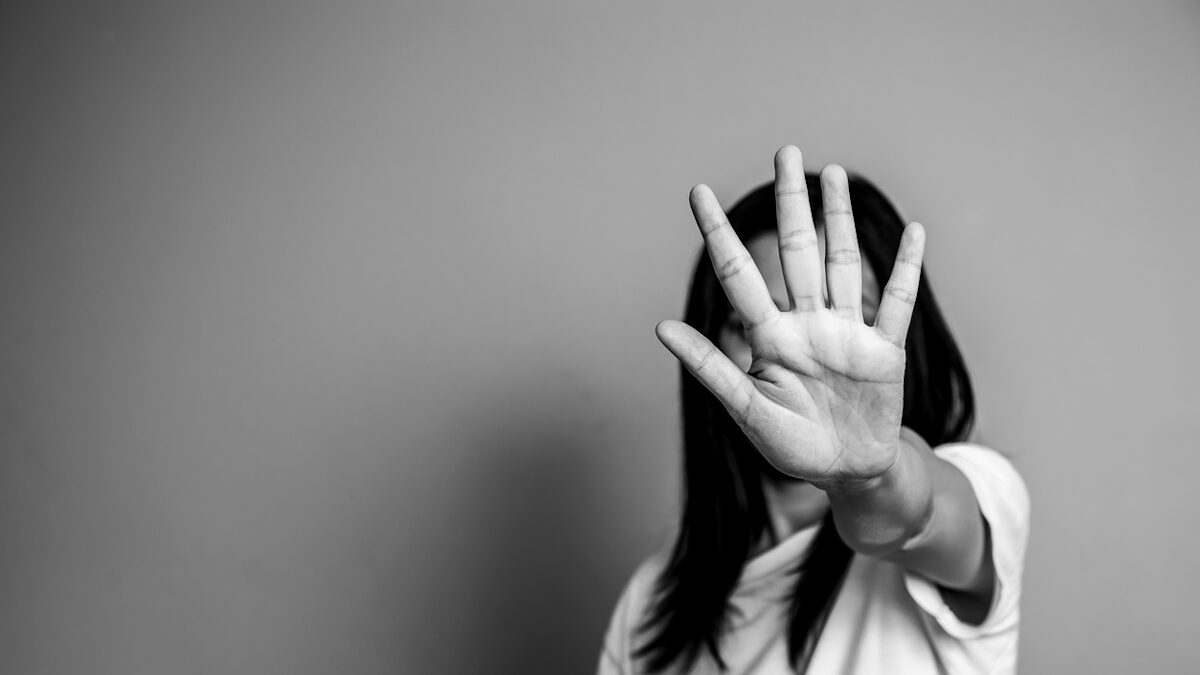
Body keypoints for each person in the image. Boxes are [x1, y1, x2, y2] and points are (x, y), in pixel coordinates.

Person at [598, 146, 1030, 674]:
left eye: (851, 322)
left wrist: (866, 479)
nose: (804, 361)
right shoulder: (650, 600)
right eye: (758, 325)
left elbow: (919, 516)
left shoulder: (982, 488)